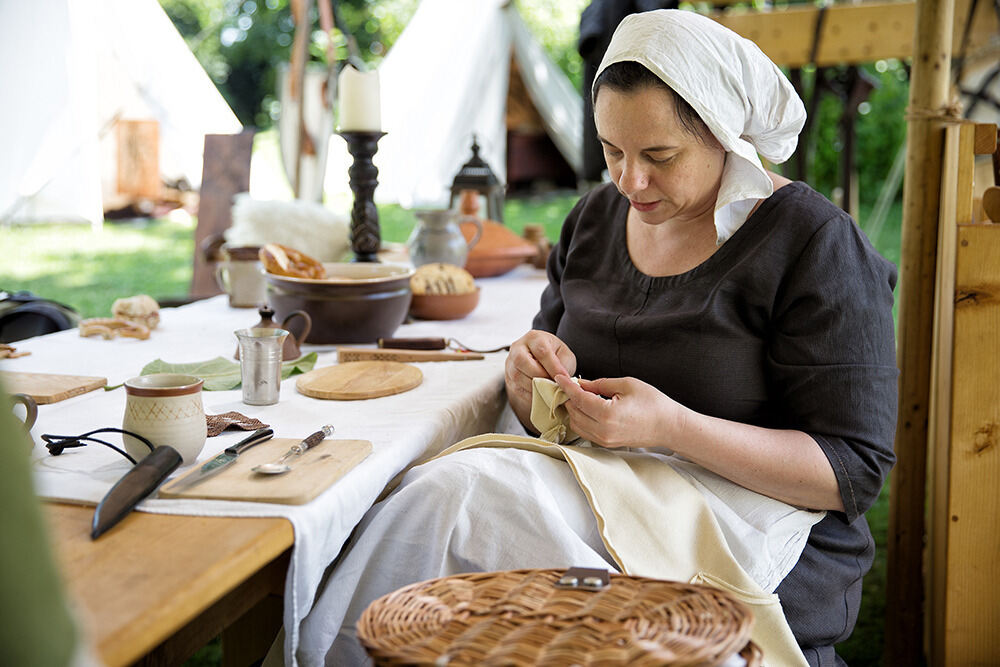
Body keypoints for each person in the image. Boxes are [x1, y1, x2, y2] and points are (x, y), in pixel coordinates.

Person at [295, 9, 897, 667]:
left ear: (723, 134)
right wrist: (530, 381)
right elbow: (549, 385)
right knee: (438, 495)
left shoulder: (812, 243)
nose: (629, 180)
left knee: (462, 497)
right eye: (612, 150)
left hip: (746, 525)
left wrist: (672, 426)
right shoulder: (593, 219)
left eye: (658, 156)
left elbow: (852, 471)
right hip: (597, 489)